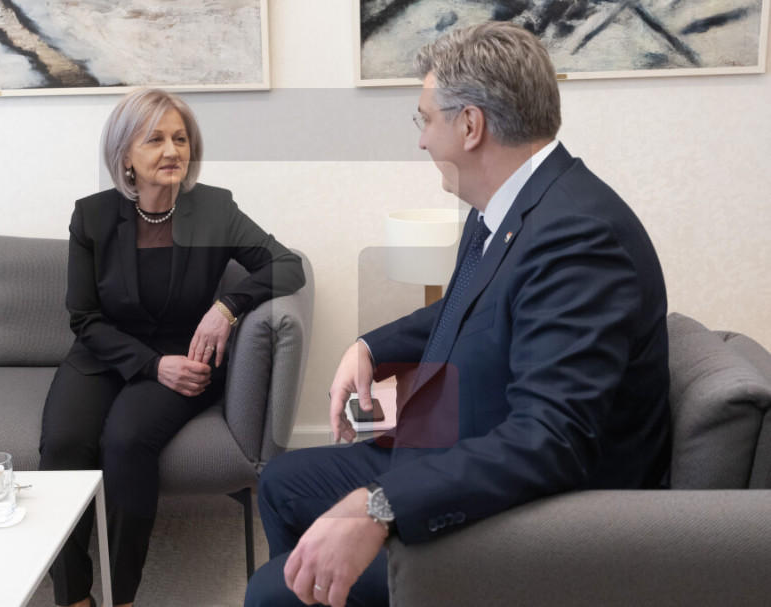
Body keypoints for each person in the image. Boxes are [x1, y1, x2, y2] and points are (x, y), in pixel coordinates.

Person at [245, 21, 670, 607]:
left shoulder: (578, 237)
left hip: (538, 522)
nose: (422, 141)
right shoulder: (509, 206)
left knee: (271, 592)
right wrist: (368, 346)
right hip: (461, 445)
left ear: (470, 125)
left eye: (425, 119)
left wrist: (379, 506)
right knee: (281, 483)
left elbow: (550, 439)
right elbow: (472, 307)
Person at [39, 87, 306, 607]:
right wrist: (149, 364)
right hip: (104, 354)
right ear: (125, 156)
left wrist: (228, 306)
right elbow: (84, 319)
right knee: (63, 445)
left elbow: (286, 265)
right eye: (155, 139)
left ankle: (121, 595)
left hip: (184, 357)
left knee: (125, 442)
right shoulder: (92, 217)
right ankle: (73, 595)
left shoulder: (214, 208)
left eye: (180, 139)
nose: (172, 151)